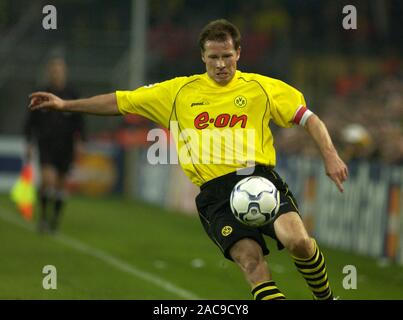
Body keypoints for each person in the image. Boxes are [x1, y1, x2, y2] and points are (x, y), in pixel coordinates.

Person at [28, 19, 348, 300]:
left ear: (238, 53)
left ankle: (326, 297)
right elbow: (120, 101)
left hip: (260, 181)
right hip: (216, 197)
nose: (221, 64)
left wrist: (330, 155)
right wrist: (65, 105)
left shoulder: (261, 88)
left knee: (299, 243)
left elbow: (309, 118)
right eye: (213, 57)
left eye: (227, 56)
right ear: (203, 57)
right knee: (251, 263)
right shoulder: (178, 93)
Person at [25, 57, 86, 233]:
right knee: (47, 180)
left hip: (66, 144)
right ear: (49, 72)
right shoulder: (41, 93)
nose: (56, 73)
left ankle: (54, 221)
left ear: (64, 72)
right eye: (53, 70)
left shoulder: (72, 93)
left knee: (61, 184)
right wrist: (29, 142)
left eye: (59, 69)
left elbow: (79, 119)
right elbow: (31, 120)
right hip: (46, 143)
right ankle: (43, 217)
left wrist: (80, 141)